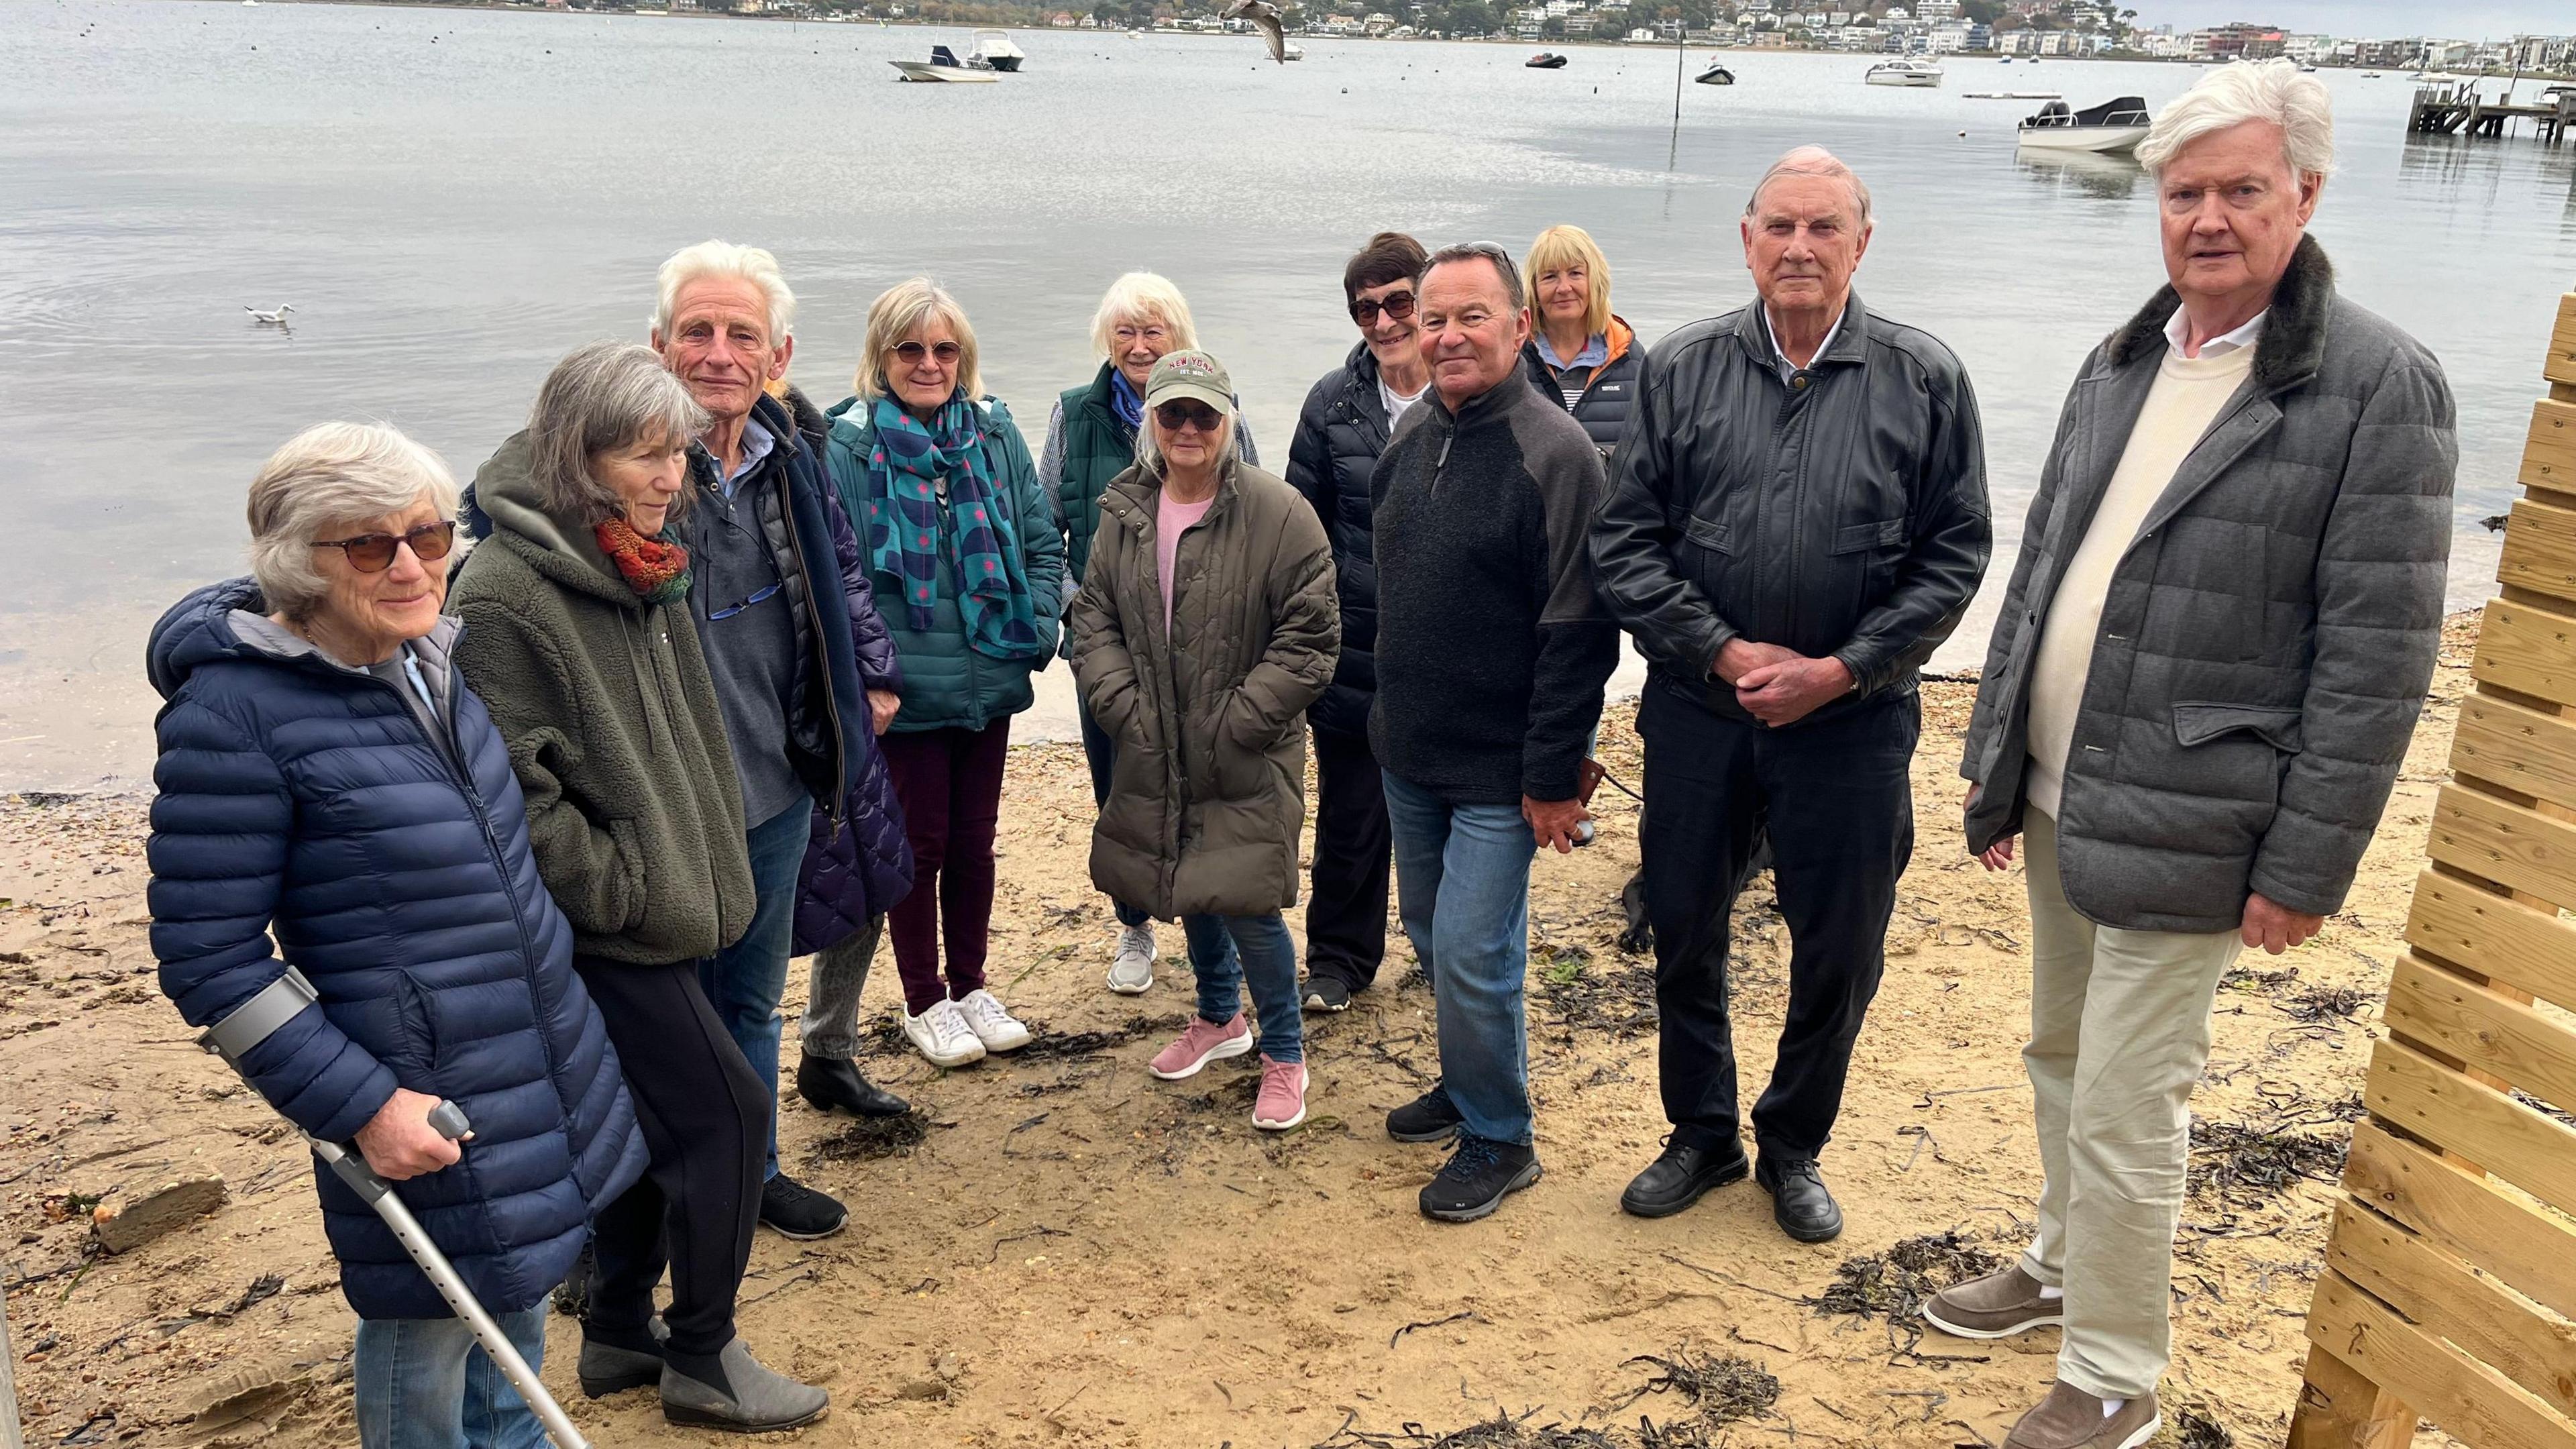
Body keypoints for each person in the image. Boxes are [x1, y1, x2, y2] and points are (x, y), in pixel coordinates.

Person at [1939, 62, 2454, 1449]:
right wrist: (1996, 765)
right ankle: (2059, 1267)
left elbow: (2380, 659)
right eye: (2184, 193)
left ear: (2306, 195)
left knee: (2126, 1102)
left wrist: (2307, 865)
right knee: (2059, 1052)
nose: (2208, 218)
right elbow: (2045, 568)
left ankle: (2113, 1372)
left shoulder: (2376, 386)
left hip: (2203, 814)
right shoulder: (2128, 355)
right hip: (2059, 792)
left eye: (2240, 190)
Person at [146, 421, 647, 1449]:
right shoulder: (235, 714)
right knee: (428, 1341)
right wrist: (365, 1104)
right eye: (369, 546)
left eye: (427, 533)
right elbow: (211, 959)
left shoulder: (428, 654)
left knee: (516, 1299)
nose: (414, 563)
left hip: (526, 1057)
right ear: (301, 565)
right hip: (417, 1086)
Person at [1591, 147, 1990, 1244]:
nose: (1800, 248)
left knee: (1841, 945)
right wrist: (1720, 653)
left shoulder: (1923, 378)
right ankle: (1702, 1132)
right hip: (1699, 713)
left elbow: (1956, 558)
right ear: (1747, 238)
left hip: (1854, 724)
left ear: (1863, 242)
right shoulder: (1679, 368)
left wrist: (1843, 669)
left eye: (1824, 228)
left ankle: (1794, 1142)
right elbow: (1624, 544)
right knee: (1684, 924)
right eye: (1780, 226)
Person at [450, 343, 828, 1432]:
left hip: (668, 906)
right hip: (605, 932)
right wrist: (623, 889)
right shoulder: (512, 593)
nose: (672, 476)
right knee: (725, 1117)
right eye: (643, 454)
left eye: (676, 452)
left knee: (646, 1126)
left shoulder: (639, 557)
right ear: (579, 456)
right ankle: (703, 1356)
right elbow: (514, 797)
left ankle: (618, 1331)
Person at [1371, 241, 1621, 1223]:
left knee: (1476, 949)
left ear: (1520, 327)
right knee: (1434, 935)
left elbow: (1579, 630)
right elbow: (1389, 594)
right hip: (1409, 749)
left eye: (1472, 316)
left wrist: (1554, 774)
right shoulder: (1407, 438)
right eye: (1434, 319)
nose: (1449, 336)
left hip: (1501, 769)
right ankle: (1466, 1081)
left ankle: (1502, 1136)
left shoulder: (1557, 455)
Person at [1071, 349, 1338, 1129]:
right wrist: (1125, 707)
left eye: (1204, 414)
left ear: (1228, 420)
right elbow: (1094, 620)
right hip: (1154, 740)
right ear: (1150, 421)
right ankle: (1221, 1019)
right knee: (1186, 881)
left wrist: (1239, 721)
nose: (1188, 428)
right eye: (1172, 413)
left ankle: (1285, 1054)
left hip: (1243, 748)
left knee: (1249, 902)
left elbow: (1311, 639)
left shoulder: (1281, 513)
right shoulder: (1124, 510)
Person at [824, 278, 1064, 1069]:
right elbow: (841, 572)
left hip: (988, 674)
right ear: (881, 355)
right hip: (905, 688)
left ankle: (972, 987)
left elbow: (1039, 535)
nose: (929, 363)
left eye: (944, 349)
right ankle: (925, 1000)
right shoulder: (847, 447)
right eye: (911, 349)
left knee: (974, 844)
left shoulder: (991, 434)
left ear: (965, 356)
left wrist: (1035, 629)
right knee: (918, 847)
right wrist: (870, 674)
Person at [1040, 272, 1256, 995]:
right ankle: (1134, 927)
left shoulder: (1219, 409)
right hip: (1107, 651)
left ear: (1178, 336)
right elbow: (1045, 526)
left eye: (1153, 331)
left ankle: (1211, 938)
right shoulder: (1073, 415)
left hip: (1203, 650)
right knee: (1119, 793)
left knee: (1204, 792)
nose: (1137, 345)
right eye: (1125, 331)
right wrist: (1078, 616)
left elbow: (1254, 516)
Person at [1283, 231, 1428, 1015]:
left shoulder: (1480, 388)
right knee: (1350, 817)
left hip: (1453, 654)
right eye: (1365, 307)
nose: (1383, 320)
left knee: (1456, 821)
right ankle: (1339, 961)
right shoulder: (1331, 402)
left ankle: (1447, 956)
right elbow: (1298, 528)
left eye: (1399, 301)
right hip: (1355, 647)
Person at [1518, 223, 1648, 460]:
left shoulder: (1631, 359)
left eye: (1576, 273)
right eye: (1550, 276)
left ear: (1595, 280)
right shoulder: (1512, 360)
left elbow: (1649, 456)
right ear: (1534, 288)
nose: (1564, 288)